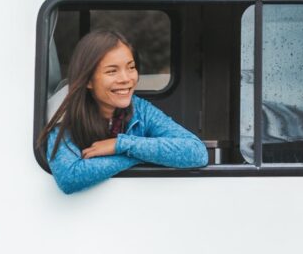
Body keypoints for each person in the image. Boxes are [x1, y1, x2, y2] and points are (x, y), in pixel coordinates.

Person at [36, 28, 207, 193]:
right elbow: (69, 177)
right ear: (88, 80)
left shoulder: (140, 109)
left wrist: (121, 144)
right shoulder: (66, 112)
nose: (126, 79)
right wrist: (142, 156)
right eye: (112, 71)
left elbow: (197, 152)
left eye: (131, 67)